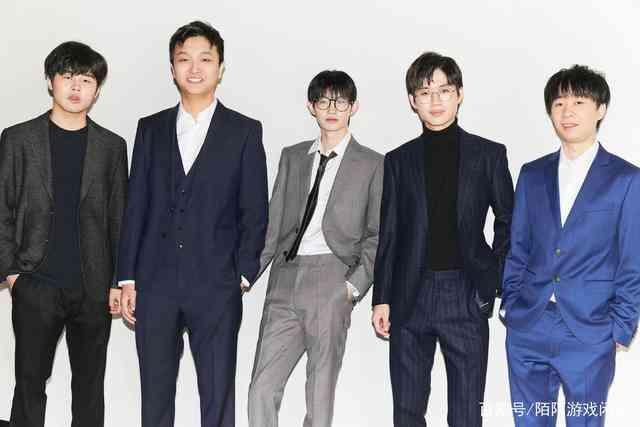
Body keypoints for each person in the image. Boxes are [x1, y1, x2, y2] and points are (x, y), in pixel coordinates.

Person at [116, 21, 268, 427]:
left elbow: (255, 210)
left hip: (217, 286)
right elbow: (136, 205)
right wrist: (127, 277)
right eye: (184, 60)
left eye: (205, 59)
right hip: (155, 284)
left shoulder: (244, 131)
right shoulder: (150, 129)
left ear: (220, 67)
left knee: (217, 396)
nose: (195, 68)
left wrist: (242, 274)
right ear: (172, 69)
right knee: (155, 396)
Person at [372, 51, 514, 427]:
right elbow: (389, 232)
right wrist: (382, 297)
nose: (435, 101)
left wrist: (492, 277)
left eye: (444, 90)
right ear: (412, 101)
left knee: (466, 414)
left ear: (459, 94)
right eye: (425, 92)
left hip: (465, 292)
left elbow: (509, 221)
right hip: (409, 294)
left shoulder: (488, 154)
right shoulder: (398, 160)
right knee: (406, 410)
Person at [500, 65, 640, 427]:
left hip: (590, 329)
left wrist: (620, 328)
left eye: (579, 102)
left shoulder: (627, 180)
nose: (567, 112)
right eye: (559, 103)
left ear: (601, 109)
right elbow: (519, 248)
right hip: (529, 323)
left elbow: (632, 260)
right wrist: (511, 305)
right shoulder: (532, 174)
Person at [0, 41, 127, 427]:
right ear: (50, 81)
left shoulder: (112, 146)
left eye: (86, 80)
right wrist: (13, 275)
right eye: (67, 76)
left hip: (92, 287)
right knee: (29, 385)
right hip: (35, 282)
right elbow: (2, 209)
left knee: (90, 389)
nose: (76, 87)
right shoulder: (18, 139)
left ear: (97, 89)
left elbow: (119, 219)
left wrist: (118, 282)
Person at [247, 70, 383, 427]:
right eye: (323, 101)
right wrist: (245, 275)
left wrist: (352, 286)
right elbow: (273, 225)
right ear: (311, 107)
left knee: (319, 396)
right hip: (285, 278)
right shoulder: (292, 157)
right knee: (261, 388)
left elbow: (377, 233)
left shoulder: (373, 164)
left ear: (354, 107)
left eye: (340, 102)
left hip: (333, 279)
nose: (332, 109)